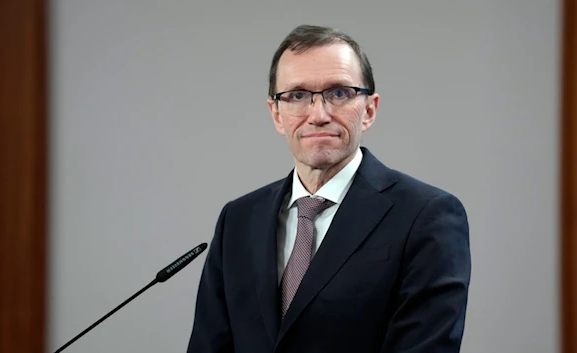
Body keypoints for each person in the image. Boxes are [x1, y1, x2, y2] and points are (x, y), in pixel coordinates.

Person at [186, 24, 471, 353]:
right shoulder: (238, 219)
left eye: (338, 93)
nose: (318, 115)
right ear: (276, 114)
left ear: (369, 110)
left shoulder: (428, 216)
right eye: (296, 96)